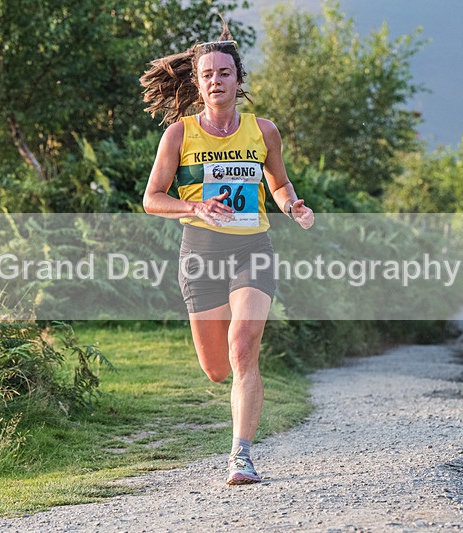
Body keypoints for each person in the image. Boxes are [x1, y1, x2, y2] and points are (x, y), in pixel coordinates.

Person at [140, 22, 314, 485]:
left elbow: (277, 182)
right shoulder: (179, 135)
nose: (215, 80)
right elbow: (152, 197)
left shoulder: (264, 131)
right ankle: (238, 418)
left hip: (252, 246)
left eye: (224, 72)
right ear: (196, 84)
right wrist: (193, 205)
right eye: (207, 74)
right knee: (217, 369)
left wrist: (291, 205)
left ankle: (241, 455)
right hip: (200, 252)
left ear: (238, 80)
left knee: (243, 349)